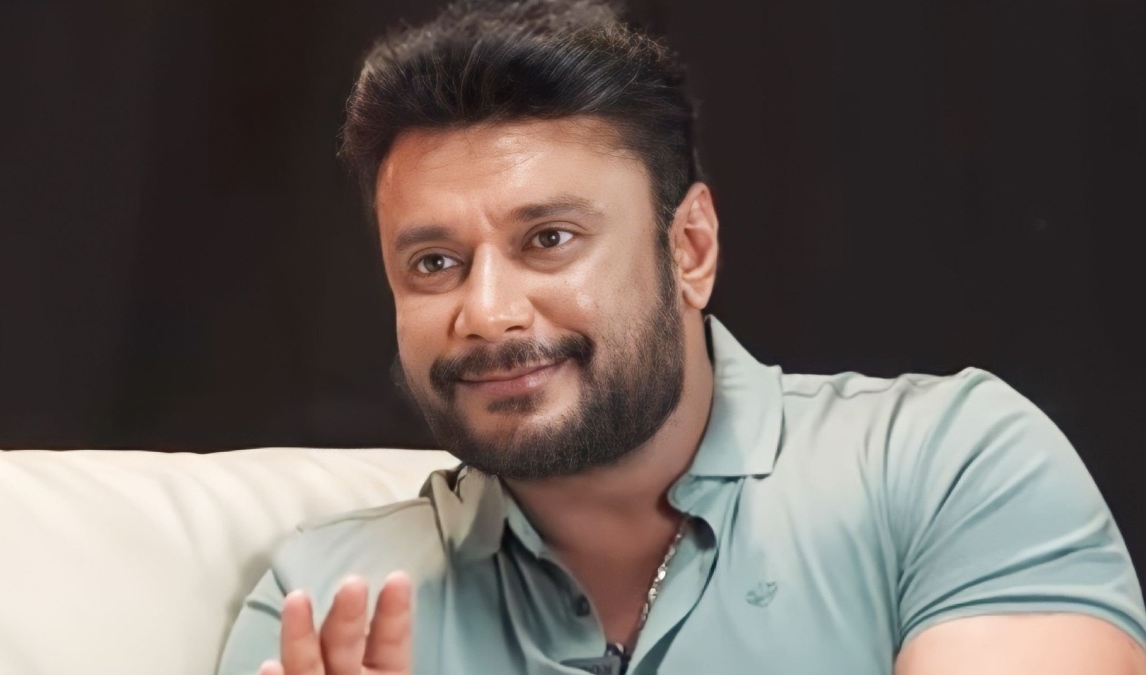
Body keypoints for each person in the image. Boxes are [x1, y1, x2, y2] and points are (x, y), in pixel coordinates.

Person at [217, 1, 1146, 673]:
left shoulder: (947, 467)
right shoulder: (325, 602)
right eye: (434, 263)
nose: (487, 313)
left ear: (690, 247)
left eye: (550, 239)